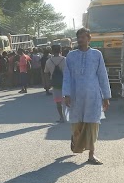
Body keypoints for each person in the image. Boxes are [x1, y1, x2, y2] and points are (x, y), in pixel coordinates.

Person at [62, 28, 111, 165]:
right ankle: (75, 139)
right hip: (76, 96)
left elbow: (102, 75)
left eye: (83, 37)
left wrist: (106, 96)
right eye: (78, 37)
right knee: (77, 124)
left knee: (92, 125)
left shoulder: (97, 55)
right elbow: (67, 76)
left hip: (93, 96)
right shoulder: (71, 56)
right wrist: (66, 94)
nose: (80, 40)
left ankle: (91, 155)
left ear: (89, 39)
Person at [45, 44, 67, 123]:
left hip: (55, 84)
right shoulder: (65, 59)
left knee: (58, 102)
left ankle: (61, 117)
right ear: (61, 50)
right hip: (66, 83)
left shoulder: (48, 61)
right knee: (70, 100)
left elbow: (46, 72)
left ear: (52, 51)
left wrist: (48, 84)